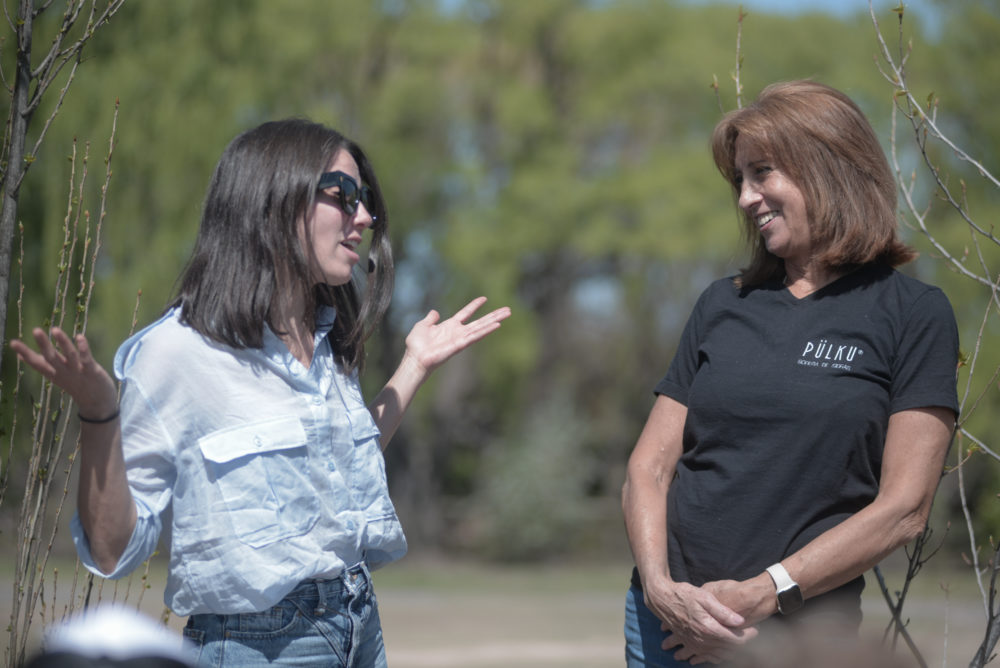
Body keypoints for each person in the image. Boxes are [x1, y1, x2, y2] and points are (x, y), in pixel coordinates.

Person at [11, 118, 511, 667]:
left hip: (359, 626)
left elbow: (340, 465)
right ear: (274, 201)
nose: (364, 217)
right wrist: (99, 413)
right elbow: (113, 551)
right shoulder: (175, 354)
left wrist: (413, 365)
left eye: (364, 199)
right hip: (259, 648)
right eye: (343, 195)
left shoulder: (322, 336)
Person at [621, 80, 958, 666]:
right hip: (668, 627)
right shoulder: (722, 303)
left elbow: (905, 508)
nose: (747, 197)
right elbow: (648, 468)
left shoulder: (913, 314)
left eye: (763, 173)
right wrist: (659, 589)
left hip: (799, 639)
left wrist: (763, 593)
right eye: (739, 180)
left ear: (829, 167)